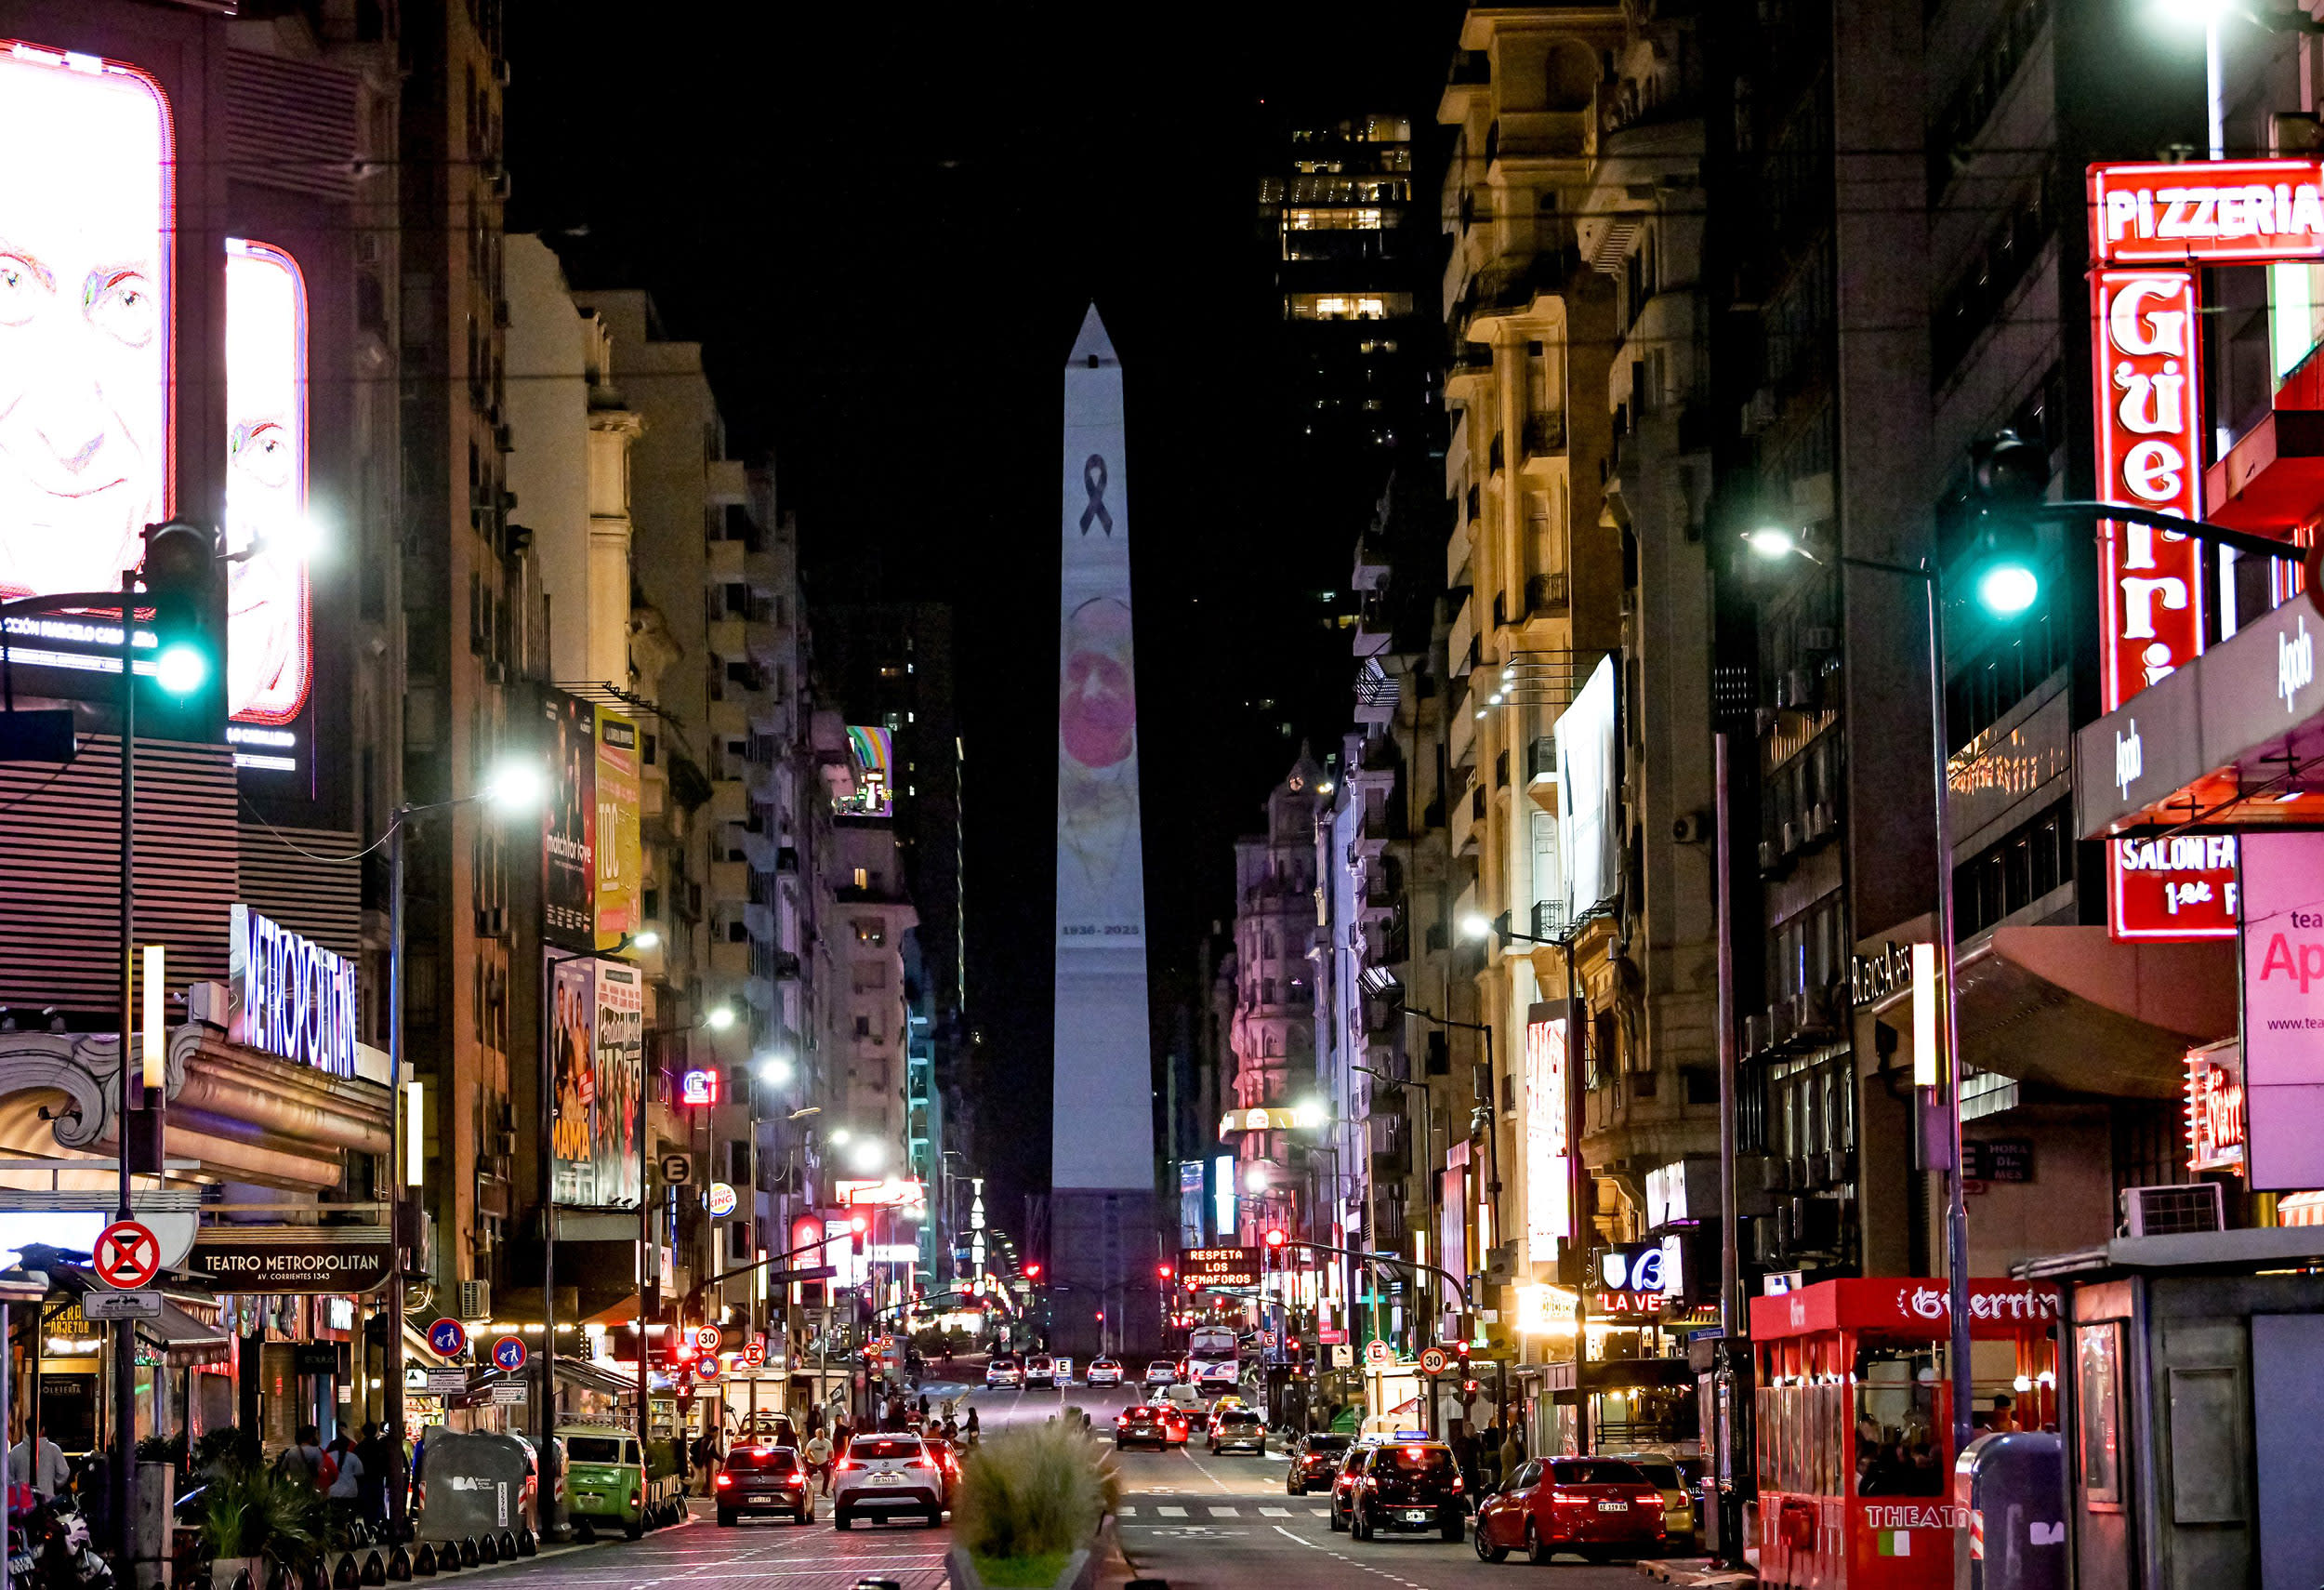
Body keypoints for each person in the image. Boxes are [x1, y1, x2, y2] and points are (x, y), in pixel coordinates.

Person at [7, 1420, 66, 1497]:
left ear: (27, 1430)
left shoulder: (15, 1451)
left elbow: (9, 1477)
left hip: (23, 1501)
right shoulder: (54, 1449)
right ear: (43, 1429)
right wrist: (52, 1484)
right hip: (48, 1499)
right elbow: (63, 1473)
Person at [276, 1426, 335, 1491]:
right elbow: (322, 1471)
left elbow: (282, 1469)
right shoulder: (316, 1451)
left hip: (295, 1489)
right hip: (310, 1489)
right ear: (311, 1438)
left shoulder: (291, 1451)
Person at [802, 1427, 834, 1496]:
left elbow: (831, 1452)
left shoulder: (827, 1443)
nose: (821, 1435)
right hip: (813, 1462)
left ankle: (824, 1491)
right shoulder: (812, 1442)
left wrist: (830, 1460)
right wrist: (813, 1460)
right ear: (816, 1434)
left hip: (823, 1462)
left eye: (822, 1433)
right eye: (819, 1433)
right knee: (807, 1477)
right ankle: (805, 1491)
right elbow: (807, 1452)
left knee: (827, 1476)